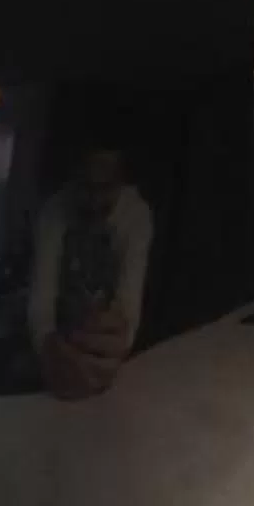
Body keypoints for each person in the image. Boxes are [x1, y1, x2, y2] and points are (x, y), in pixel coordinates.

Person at [27, 147, 153, 401]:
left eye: (105, 188)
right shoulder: (53, 210)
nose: (95, 202)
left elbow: (129, 301)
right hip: (62, 341)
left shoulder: (136, 213)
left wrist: (117, 345)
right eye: (86, 187)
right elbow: (42, 296)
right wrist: (47, 345)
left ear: (121, 182)